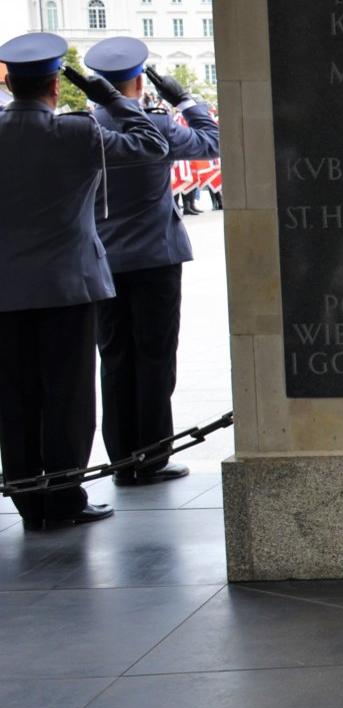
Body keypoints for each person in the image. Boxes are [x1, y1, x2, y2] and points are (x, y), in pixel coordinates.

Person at [0, 33, 166, 529]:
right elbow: (152, 145)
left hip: (5, 291)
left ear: (9, 82)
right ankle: (65, 497)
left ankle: (29, 500)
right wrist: (110, 97)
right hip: (67, 287)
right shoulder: (76, 133)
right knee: (66, 395)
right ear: (56, 85)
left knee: (14, 396)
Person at [85, 38, 219, 486]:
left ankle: (121, 457)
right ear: (140, 81)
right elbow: (212, 142)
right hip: (156, 258)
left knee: (115, 357)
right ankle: (152, 456)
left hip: (104, 259)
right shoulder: (156, 125)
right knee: (155, 357)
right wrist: (184, 99)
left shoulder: (84, 128)